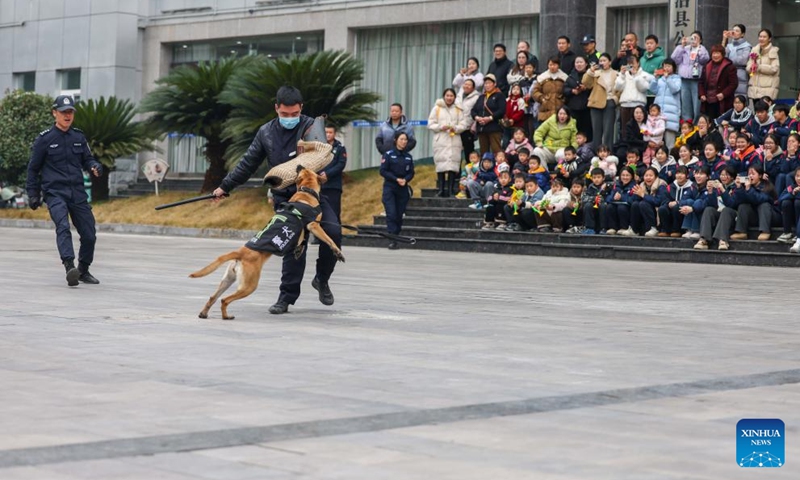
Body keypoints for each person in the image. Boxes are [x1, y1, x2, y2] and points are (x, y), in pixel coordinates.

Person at [213, 86, 340, 315]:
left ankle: (322, 279)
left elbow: (323, 154)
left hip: (312, 196)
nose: (289, 118)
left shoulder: (311, 126)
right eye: (284, 114)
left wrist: (320, 170)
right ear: (276, 109)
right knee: (292, 245)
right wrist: (225, 186)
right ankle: (286, 297)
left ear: (301, 108)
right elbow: (247, 163)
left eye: (294, 114)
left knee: (335, 233)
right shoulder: (266, 133)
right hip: (286, 199)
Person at [26, 94, 103, 286]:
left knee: (89, 234)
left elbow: (87, 159)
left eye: (70, 112)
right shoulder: (45, 139)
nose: (67, 116)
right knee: (63, 227)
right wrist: (33, 194)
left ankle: (83, 270)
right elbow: (33, 169)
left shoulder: (78, 136)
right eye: (63, 112)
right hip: (55, 192)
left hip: (77, 192)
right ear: (55, 113)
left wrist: (95, 166)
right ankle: (70, 267)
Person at [428, 88, 468, 197]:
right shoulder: (437, 108)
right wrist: (441, 127)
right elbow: (430, 124)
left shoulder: (458, 109)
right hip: (440, 139)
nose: (449, 98)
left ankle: (450, 191)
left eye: (451, 96)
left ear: (454, 97)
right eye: (447, 95)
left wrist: (455, 128)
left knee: (452, 165)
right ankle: (441, 190)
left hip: (454, 139)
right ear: (444, 96)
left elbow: (463, 124)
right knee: (441, 164)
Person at [380, 132, 415, 249]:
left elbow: (411, 172)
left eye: (405, 140)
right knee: (391, 213)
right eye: (401, 139)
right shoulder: (388, 155)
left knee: (399, 215)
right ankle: (392, 239)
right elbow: (383, 171)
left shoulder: (408, 157)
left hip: (402, 189)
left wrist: (405, 179)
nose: (403, 142)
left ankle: (396, 235)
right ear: (395, 140)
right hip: (390, 187)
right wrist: (396, 179)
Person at [694, 164, 739, 250]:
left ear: (732, 177)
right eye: (722, 175)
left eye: (726, 175)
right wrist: (710, 192)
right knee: (708, 209)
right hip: (719, 215)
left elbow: (732, 204)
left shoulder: (736, 187)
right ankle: (704, 239)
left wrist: (723, 190)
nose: (723, 177)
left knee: (726, 210)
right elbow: (713, 205)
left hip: (732, 216)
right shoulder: (717, 186)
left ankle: (723, 240)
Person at [729, 164, 778, 241]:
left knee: (764, 205)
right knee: (743, 206)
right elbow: (738, 202)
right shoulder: (747, 186)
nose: (750, 176)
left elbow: (759, 199)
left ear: (760, 176)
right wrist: (739, 188)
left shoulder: (767, 186)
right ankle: (741, 232)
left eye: (753, 174)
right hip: (756, 216)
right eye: (749, 174)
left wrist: (748, 189)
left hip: (771, 216)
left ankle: (765, 231)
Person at [672, 31, 710, 123]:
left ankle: (696, 122)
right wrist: (681, 46)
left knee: (696, 103)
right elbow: (674, 59)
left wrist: (699, 49)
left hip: (696, 80)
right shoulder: (685, 49)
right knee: (685, 102)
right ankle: (686, 122)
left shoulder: (702, 49)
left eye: (696, 38)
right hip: (684, 79)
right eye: (692, 37)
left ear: (700, 40)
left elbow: (705, 60)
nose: (693, 39)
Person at [583, 53, 618, 148]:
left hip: (609, 101)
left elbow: (620, 89)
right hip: (596, 102)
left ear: (610, 62)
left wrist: (615, 99)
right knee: (596, 131)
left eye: (604, 60)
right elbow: (586, 83)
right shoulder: (595, 73)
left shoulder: (616, 74)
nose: (602, 63)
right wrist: (590, 71)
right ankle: (597, 153)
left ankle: (608, 152)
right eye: (601, 61)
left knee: (608, 130)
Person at [699, 44, 738, 119]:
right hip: (708, 100)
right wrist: (702, 94)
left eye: (718, 53)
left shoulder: (729, 67)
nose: (715, 55)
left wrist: (723, 94)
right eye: (714, 53)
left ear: (722, 54)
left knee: (721, 123)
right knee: (709, 121)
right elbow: (701, 82)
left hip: (722, 101)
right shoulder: (707, 65)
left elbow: (733, 84)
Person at [650, 58, 681, 148]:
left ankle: (671, 160)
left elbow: (675, 89)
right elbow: (653, 90)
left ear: (673, 68)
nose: (666, 68)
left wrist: (668, 78)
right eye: (665, 66)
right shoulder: (660, 79)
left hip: (670, 115)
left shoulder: (677, 78)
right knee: (657, 142)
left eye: (669, 66)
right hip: (659, 115)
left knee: (669, 142)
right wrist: (655, 78)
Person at [471, 74, 506, 155]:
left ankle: (499, 167)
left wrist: (490, 118)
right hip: (482, 129)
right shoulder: (481, 97)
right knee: (484, 153)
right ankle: (484, 167)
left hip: (494, 128)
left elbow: (502, 110)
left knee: (496, 151)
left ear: (494, 84)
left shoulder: (499, 95)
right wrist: (477, 117)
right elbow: (473, 110)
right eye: (486, 83)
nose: (487, 85)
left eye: (489, 83)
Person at [658, 165, 695, 237]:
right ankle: (665, 230)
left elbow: (692, 200)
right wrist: (668, 203)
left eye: (682, 173)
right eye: (677, 173)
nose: (679, 176)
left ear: (687, 175)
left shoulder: (692, 187)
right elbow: (664, 199)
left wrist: (678, 202)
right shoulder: (670, 186)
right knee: (662, 208)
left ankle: (677, 230)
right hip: (671, 208)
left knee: (676, 207)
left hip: (684, 211)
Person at [630, 166, 667, 236]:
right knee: (635, 204)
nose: (648, 177)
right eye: (646, 175)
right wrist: (637, 193)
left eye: (651, 175)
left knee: (643, 204)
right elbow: (633, 200)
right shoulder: (642, 185)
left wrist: (643, 195)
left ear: (656, 177)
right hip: (646, 209)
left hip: (658, 210)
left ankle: (653, 228)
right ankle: (634, 230)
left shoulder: (661, 185)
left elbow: (658, 202)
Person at [321, 123, 348, 221]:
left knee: (334, 212)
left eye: (330, 132)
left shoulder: (340, 147)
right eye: (326, 132)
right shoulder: (319, 147)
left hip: (333, 186)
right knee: (321, 213)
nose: (328, 134)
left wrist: (327, 174)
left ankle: (336, 235)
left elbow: (341, 164)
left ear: (334, 133)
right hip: (320, 185)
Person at [746, 29, 780, 104]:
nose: (761, 39)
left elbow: (774, 69)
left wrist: (759, 67)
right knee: (757, 113)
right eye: (760, 36)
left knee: (765, 113)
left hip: (768, 90)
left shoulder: (773, 51)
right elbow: (748, 67)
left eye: (764, 37)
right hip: (755, 89)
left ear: (769, 39)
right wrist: (751, 67)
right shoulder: (754, 50)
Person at [532, 56, 568, 123]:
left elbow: (568, 91)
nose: (552, 67)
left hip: (560, 110)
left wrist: (563, 99)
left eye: (554, 65)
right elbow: (535, 91)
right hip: (545, 110)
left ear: (558, 65)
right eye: (550, 65)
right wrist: (542, 98)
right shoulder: (542, 77)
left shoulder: (564, 77)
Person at [564, 56, 592, 140]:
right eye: (577, 62)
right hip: (573, 107)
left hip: (587, 107)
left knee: (587, 129)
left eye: (581, 62)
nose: (579, 64)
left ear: (586, 64)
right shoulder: (571, 76)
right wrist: (572, 91)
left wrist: (586, 88)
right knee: (574, 130)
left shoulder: (590, 75)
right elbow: (564, 89)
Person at [605, 166, 637, 235]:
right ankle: (612, 227)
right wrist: (613, 197)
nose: (625, 177)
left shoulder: (634, 186)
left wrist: (622, 197)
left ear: (632, 176)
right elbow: (608, 198)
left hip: (628, 208)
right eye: (623, 175)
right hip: (616, 206)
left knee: (621, 207)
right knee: (609, 206)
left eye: (627, 175)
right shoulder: (616, 185)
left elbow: (634, 199)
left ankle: (624, 227)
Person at [723, 24, 752, 97]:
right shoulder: (729, 46)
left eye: (737, 31)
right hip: (729, 73)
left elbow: (743, 60)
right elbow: (722, 56)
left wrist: (728, 61)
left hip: (740, 73)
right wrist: (724, 39)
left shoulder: (747, 46)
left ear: (742, 34)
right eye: (733, 30)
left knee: (740, 97)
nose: (734, 32)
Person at [482, 165, 515, 230]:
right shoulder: (496, 187)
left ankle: (502, 223)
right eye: (501, 178)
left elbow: (509, 199)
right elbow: (489, 198)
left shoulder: (511, 188)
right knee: (490, 206)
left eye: (505, 178)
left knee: (500, 205)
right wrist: (493, 198)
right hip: (496, 204)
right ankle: (489, 222)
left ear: (509, 179)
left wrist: (499, 197)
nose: (503, 180)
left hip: (504, 206)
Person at [456, 79, 480, 161]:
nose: (466, 86)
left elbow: (477, 112)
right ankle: (457, 173)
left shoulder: (477, 97)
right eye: (465, 84)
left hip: (468, 128)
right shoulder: (459, 95)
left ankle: (470, 172)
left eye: (469, 85)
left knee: (469, 153)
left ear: (473, 88)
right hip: (457, 127)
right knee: (456, 153)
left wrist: (471, 126)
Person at [581, 167, 611, 234]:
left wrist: (603, 192)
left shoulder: (608, 186)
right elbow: (583, 199)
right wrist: (593, 199)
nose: (596, 179)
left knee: (603, 206)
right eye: (594, 177)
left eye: (598, 177)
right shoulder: (589, 187)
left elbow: (610, 197)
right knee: (587, 205)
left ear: (603, 178)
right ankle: (589, 228)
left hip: (603, 207)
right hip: (592, 208)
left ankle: (604, 228)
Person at [639, 34, 665, 106]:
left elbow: (662, 75)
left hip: (654, 93)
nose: (649, 45)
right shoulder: (642, 59)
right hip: (642, 93)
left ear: (656, 44)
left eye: (651, 43)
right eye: (647, 43)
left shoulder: (662, 59)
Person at [777, 167, 800, 244]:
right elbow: (781, 198)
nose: (799, 178)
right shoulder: (791, 187)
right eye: (797, 176)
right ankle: (787, 232)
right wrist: (792, 193)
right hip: (792, 215)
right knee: (786, 202)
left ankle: (798, 233)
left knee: (798, 202)